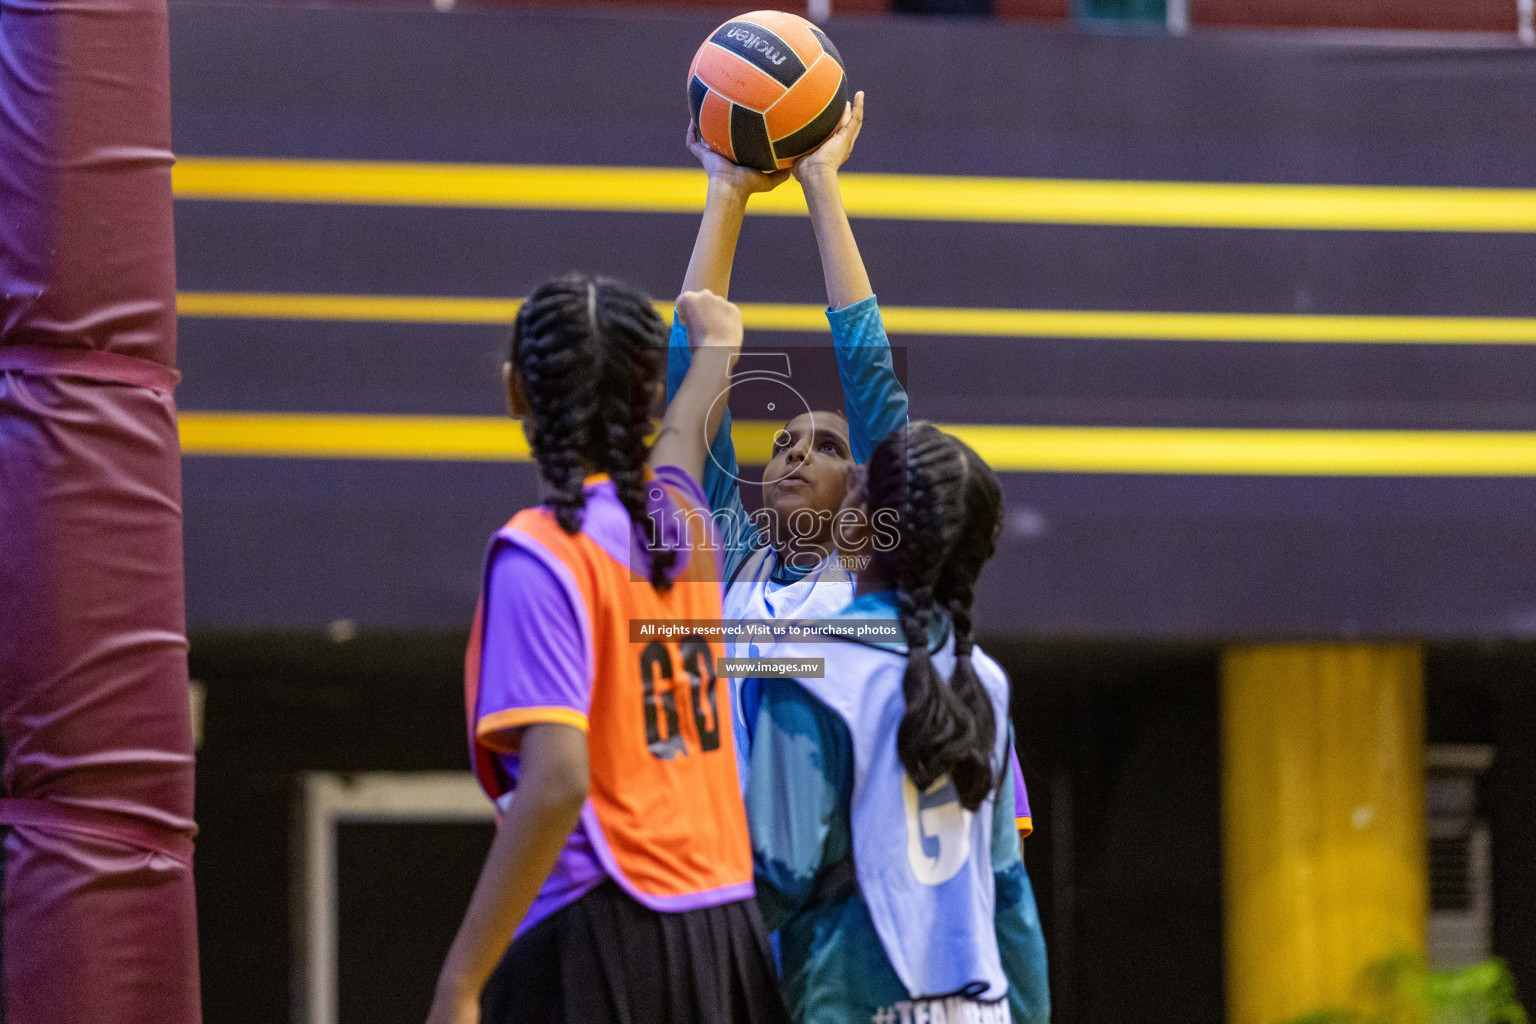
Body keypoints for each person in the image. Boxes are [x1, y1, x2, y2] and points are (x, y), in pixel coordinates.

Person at [426, 277, 789, 1024]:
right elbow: (684, 438)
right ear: (647, 395)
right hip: (723, 931)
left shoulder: (542, 553)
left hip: (603, 924)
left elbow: (558, 782)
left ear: (516, 392)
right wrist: (718, 348)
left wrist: (461, 983)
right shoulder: (681, 526)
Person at [743, 422, 1050, 1024]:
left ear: (860, 526)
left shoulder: (808, 672)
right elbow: (1009, 889)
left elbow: (774, 880)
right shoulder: (985, 681)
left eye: (857, 489)